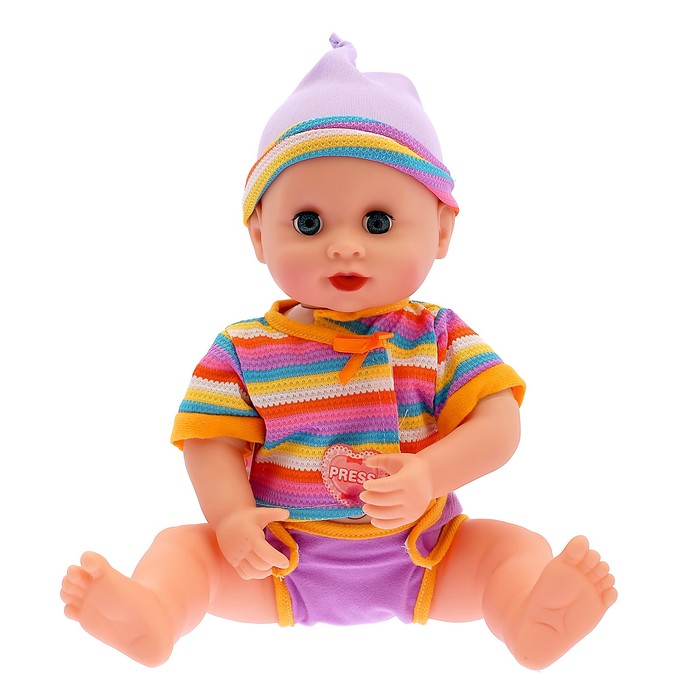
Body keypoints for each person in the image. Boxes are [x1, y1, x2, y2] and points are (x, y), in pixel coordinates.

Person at [61, 34, 616, 670]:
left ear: (441, 230)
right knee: (182, 552)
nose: (345, 246)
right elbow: (210, 443)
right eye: (309, 223)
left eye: (378, 222)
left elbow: (499, 424)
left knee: (514, 549)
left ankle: (525, 617)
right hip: (276, 558)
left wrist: (428, 476)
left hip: (427, 552)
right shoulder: (244, 349)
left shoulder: (436, 336)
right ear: (258, 236)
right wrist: (233, 518)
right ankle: (156, 613)